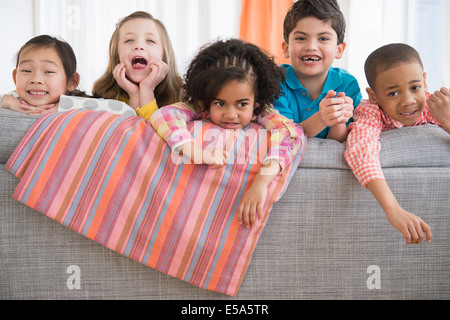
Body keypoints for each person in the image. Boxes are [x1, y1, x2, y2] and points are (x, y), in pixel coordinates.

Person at [150, 38, 306, 229]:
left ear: (256, 101)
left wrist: (261, 182)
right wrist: (197, 152)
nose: (231, 114)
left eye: (242, 104)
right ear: (207, 99)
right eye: (220, 103)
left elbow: (290, 133)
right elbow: (163, 115)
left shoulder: (261, 112)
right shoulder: (202, 108)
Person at [344, 43, 450, 245]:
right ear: (373, 96)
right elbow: (361, 150)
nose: (408, 100)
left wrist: (447, 121)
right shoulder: (371, 112)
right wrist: (393, 209)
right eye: (393, 93)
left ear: (425, 82)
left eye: (415, 87)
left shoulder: (435, 106)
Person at [274, 0, 362, 141]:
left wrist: (338, 121)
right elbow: (283, 138)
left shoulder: (347, 84)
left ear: (339, 50)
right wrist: (321, 118)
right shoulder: (275, 81)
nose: (311, 46)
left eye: (323, 38)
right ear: (286, 48)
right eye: (301, 38)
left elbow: (338, 146)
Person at [92, 11, 183, 120]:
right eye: (129, 40)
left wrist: (147, 90)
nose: (139, 46)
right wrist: (134, 95)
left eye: (150, 40)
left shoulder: (180, 98)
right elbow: (133, 134)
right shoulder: (105, 101)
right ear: (116, 54)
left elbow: (157, 134)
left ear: (164, 55)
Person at [0, 35, 85, 115]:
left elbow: (98, 104)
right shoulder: (15, 97)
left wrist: (64, 106)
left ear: (71, 82)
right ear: (15, 77)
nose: (36, 79)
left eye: (49, 72)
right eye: (26, 70)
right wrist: (7, 102)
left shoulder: (77, 102)